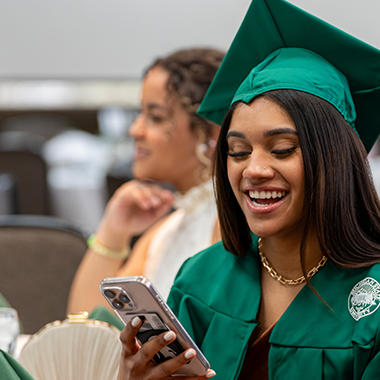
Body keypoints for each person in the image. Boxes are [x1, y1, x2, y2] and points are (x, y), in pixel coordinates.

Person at [115, 0, 380, 379]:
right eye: (237, 151)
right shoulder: (202, 279)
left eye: (282, 149)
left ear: (334, 159)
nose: (253, 170)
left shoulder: (375, 295)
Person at [67, 47, 224, 313]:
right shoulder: (167, 231)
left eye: (155, 117)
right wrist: (113, 231)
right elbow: (88, 323)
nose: (135, 130)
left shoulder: (230, 223)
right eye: (140, 114)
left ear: (210, 132)